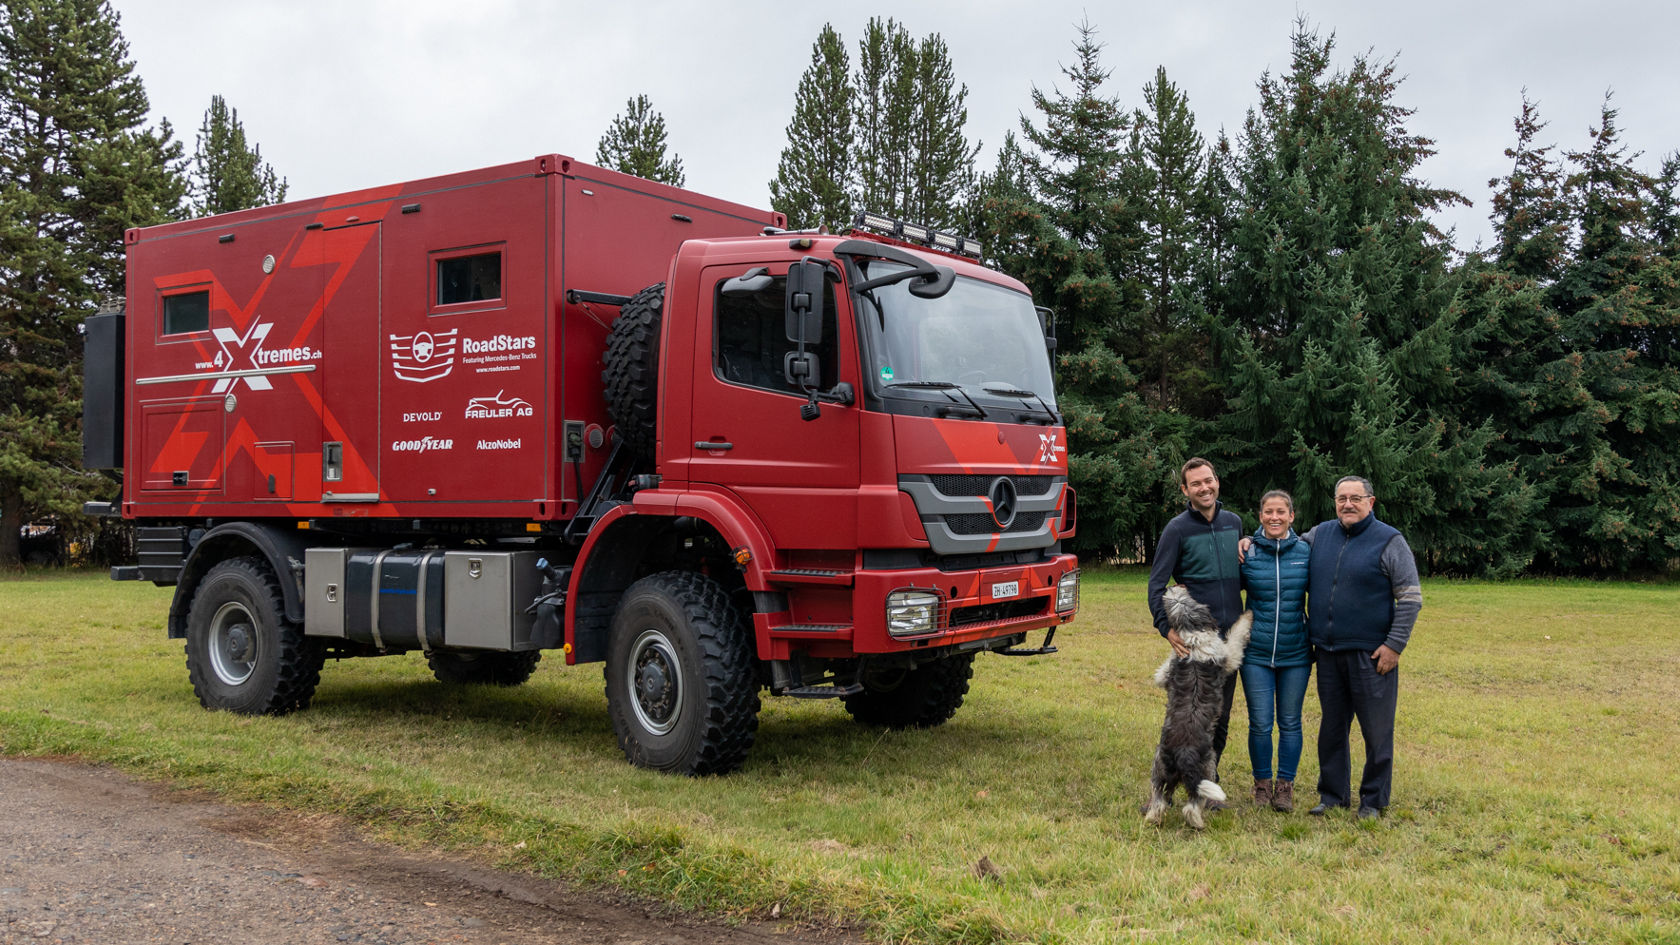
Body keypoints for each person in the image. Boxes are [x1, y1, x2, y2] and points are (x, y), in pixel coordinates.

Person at [1304, 476, 1423, 820]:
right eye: (1342, 498)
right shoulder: (1319, 535)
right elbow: (1281, 542)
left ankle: (1373, 801)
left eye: (1356, 498)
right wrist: (1251, 540)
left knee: (1377, 731)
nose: (1348, 504)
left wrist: (1394, 645)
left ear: (1371, 502)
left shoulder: (1389, 540)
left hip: (1373, 656)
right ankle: (1332, 795)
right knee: (1332, 729)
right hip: (1327, 652)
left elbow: (1411, 599)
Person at [1147, 457, 1244, 800]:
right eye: (1196, 484)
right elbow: (1157, 584)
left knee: (1220, 718)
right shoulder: (1177, 529)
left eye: (1209, 480)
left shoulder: (1234, 522)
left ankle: (1205, 779)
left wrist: (1251, 547)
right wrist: (1165, 628)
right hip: (1196, 642)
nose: (1205, 487)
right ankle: (1167, 784)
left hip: (1229, 638)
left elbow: (1243, 573)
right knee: (1187, 718)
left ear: (1217, 481)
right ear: (1185, 490)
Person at [1238, 490, 1312, 813]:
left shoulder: (1307, 552)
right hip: (1255, 654)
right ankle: (1262, 785)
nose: (1275, 517)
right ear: (1261, 516)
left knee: (1291, 722)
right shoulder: (1247, 553)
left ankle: (1285, 786)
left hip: (1296, 653)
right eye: (1268, 512)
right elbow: (1223, 587)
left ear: (1291, 516)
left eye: (1281, 512)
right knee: (1261, 724)